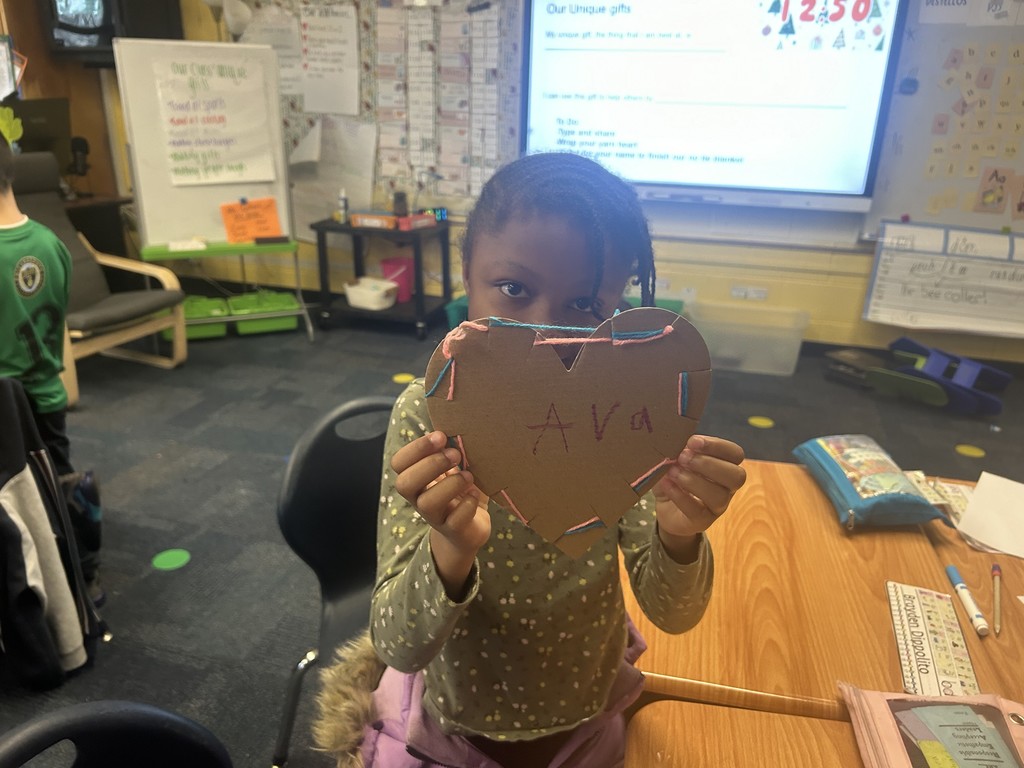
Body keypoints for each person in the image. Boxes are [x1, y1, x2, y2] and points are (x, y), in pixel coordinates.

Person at [355, 152, 747, 767]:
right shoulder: (431, 415)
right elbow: (398, 645)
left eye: (585, 303)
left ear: (617, 302)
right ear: (466, 274)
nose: (541, 330)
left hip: (588, 717)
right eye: (514, 289)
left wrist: (679, 535)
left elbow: (674, 613)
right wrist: (451, 549)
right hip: (457, 730)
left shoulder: (624, 408)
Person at [0, 134, 104, 606]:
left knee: (20, 492)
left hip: (7, 406)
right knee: (54, 476)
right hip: (47, 394)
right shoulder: (51, 243)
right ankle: (86, 573)